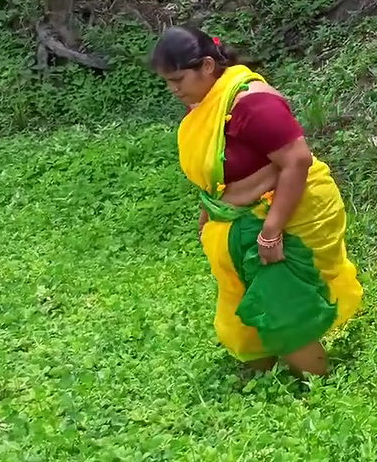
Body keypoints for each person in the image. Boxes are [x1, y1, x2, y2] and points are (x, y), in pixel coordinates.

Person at [151, 26, 363, 376]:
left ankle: (321, 386)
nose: (173, 89)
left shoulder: (253, 103)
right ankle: (268, 370)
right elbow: (218, 172)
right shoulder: (208, 105)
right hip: (241, 217)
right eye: (167, 82)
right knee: (259, 300)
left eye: (178, 79)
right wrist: (211, 211)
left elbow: (297, 161)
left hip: (290, 212)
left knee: (283, 303)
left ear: (206, 66)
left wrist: (272, 229)